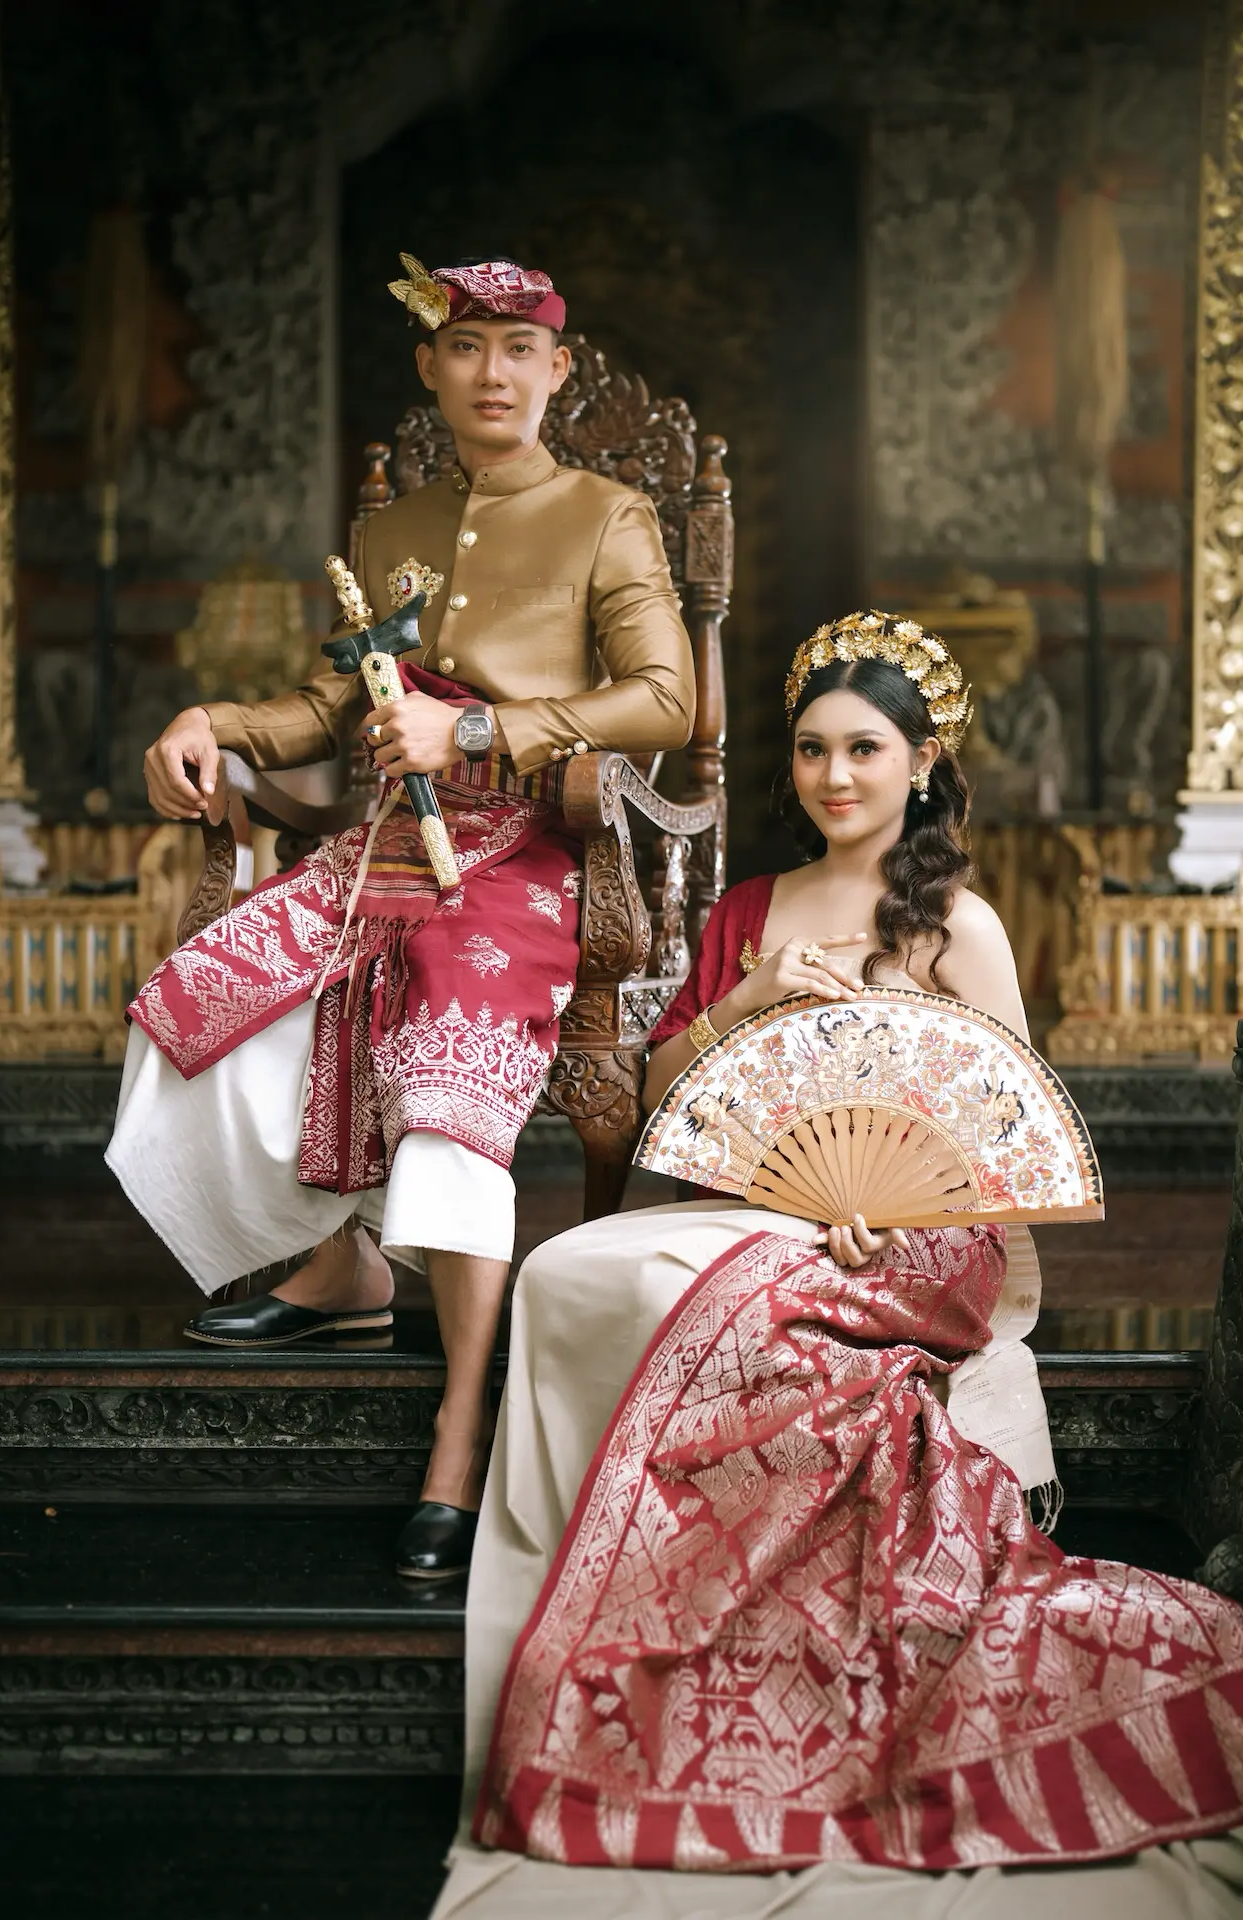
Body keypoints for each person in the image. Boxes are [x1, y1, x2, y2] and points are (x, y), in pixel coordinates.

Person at [431, 613, 1243, 1917]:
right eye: (812, 749)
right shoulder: (750, 909)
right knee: (576, 1273)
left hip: (924, 1230)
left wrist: (895, 1214)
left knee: (778, 1310)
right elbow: (662, 1093)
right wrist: (746, 1001)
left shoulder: (960, 925)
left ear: (922, 763)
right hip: (758, 1199)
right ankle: (658, 1587)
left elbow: (1004, 1127)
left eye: (864, 748)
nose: (835, 775)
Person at [106, 255, 695, 1579]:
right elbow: (336, 708)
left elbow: (668, 701)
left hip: (528, 850)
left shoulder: (608, 516)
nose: (494, 372)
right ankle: (345, 1270)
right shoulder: (393, 532)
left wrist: (476, 729)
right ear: (431, 368)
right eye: (467, 346)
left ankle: (459, 1430)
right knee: (203, 992)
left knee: (438, 1028)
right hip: (383, 843)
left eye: (519, 349)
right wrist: (211, 720)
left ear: (558, 369)